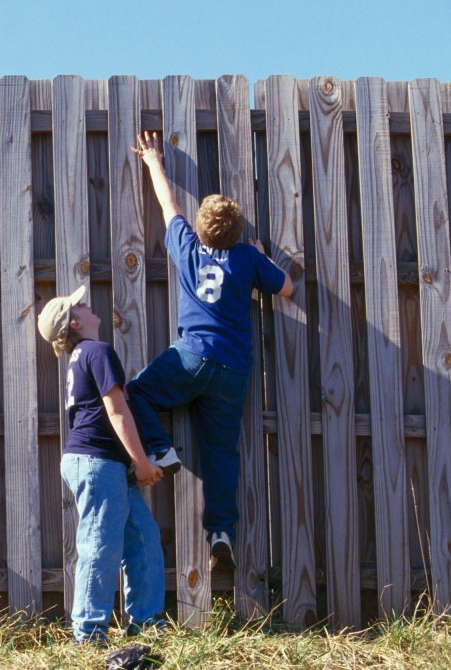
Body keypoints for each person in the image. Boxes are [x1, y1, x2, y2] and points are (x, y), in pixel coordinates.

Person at [127, 131, 294, 571]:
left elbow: (168, 205)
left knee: (138, 393)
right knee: (221, 452)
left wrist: (153, 162)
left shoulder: (186, 247)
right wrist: (262, 255)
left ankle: (161, 449)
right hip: (233, 370)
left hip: (192, 356)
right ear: (240, 234)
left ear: (201, 228)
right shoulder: (247, 258)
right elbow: (289, 288)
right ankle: (221, 530)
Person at [37, 285, 166, 643]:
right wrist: (141, 462)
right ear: (75, 322)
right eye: (79, 304)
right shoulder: (97, 350)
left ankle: (148, 624)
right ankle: (88, 633)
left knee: (143, 538)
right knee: (100, 545)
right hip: (97, 463)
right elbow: (117, 410)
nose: (86, 303)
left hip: (101, 462)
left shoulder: (82, 356)